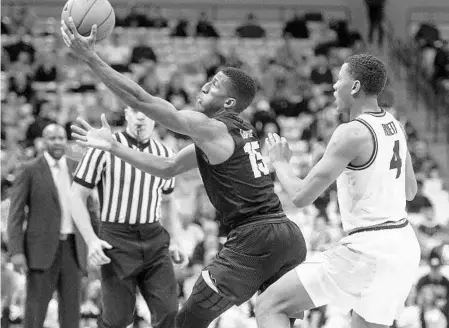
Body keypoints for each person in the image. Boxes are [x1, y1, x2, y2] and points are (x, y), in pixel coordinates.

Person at [61, 18, 307, 328]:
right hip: (287, 236)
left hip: (254, 239)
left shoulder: (213, 128)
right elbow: (168, 167)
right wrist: (113, 147)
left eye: (214, 84)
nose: (205, 86)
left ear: (229, 102)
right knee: (271, 314)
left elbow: (141, 100)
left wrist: (91, 58)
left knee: (185, 323)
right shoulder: (238, 132)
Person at [255, 54, 422, 328]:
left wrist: (279, 162)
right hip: (404, 248)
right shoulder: (395, 125)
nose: (334, 86)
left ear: (354, 87)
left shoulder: (351, 132)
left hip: (370, 248)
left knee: (270, 304)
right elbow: (410, 191)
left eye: (339, 79)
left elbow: (300, 196)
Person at [70, 107, 184, 328]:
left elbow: (168, 202)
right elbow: (76, 194)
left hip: (154, 238)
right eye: (135, 110)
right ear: (126, 114)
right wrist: (91, 239)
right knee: (118, 319)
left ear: (156, 117)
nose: (141, 116)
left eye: (147, 111)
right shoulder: (105, 145)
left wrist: (176, 239)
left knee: (169, 312)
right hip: (116, 239)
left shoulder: (167, 153)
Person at [7, 124, 87, 328]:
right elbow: (15, 215)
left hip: (73, 249)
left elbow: (89, 209)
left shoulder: (76, 168)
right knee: (35, 312)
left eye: (61, 138)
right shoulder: (29, 169)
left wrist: (95, 242)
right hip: (39, 251)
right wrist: (16, 251)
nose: (58, 142)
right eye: (52, 138)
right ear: (43, 142)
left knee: (72, 314)